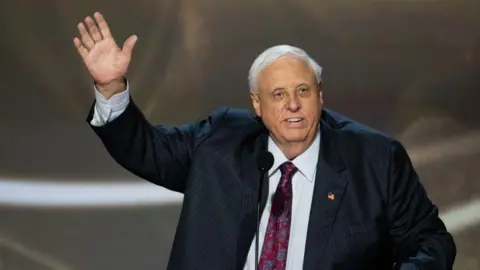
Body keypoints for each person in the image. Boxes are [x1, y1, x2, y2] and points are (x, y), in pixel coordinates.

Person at [74, 12, 456, 270]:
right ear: (257, 104)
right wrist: (111, 87)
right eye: (277, 95)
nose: (292, 105)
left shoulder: (375, 159)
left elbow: (432, 243)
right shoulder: (221, 141)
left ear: (321, 95)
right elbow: (146, 150)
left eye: (303, 91)